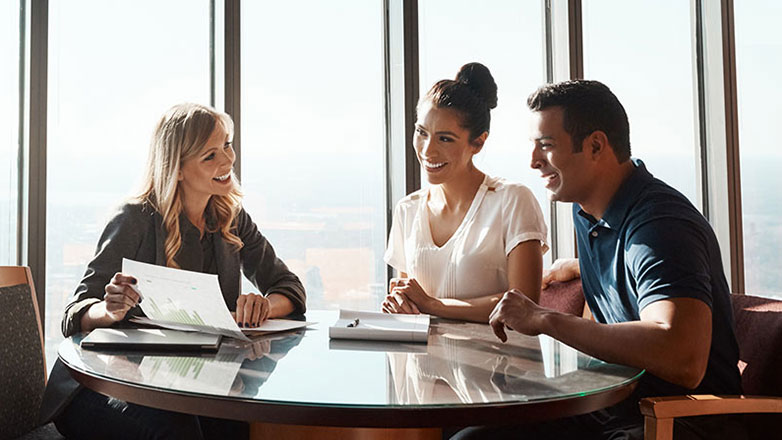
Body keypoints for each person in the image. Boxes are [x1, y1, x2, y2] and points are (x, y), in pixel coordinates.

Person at [455, 80, 745, 439]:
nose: (532, 161)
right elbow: (646, 271)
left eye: (546, 146)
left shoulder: (661, 224)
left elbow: (683, 357)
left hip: (676, 421)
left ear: (595, 145)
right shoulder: (590, 214)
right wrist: (575, 266)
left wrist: (545, 318)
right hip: (610, 408)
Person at [40, 103, 306, 440]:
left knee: (234, 423)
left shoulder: (230, 217)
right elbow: (72, 316)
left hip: (186, 384)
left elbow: (289, 287)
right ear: (177, 169)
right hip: (102, 387)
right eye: (210, 156)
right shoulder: (135, 218)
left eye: (227, 145)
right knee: (181, 432)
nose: (227, 160)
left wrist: (266, 305)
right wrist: (108, 311)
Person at [382, 62, 548, 322]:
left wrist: (433, 305)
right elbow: (410, 306)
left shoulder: (512, 201)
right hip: (421, 360)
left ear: (478, 142)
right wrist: (401, 305)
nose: (427, 151)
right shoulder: (408, 210)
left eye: (445, 138)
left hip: (498, 361)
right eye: (421, 132)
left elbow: (523, 305)